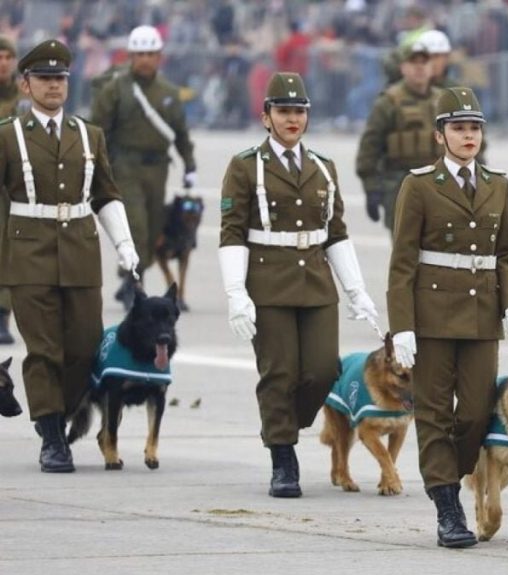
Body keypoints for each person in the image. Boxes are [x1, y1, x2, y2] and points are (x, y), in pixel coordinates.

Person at [218, 72, 378, 498]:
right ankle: (283, 457)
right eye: (284, 111)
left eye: (299, 111)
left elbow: (337, 233)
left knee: (324, 370)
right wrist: (236, 293)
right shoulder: (245, 165)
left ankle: (285, 424)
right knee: (280, 373)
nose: (292, 119)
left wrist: (356, 290)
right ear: (266, 116)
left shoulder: (323, 167)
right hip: (268, 282)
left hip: (316, 282)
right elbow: (232, 232)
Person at [387, 87, 508, 548]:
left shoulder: (497, 184)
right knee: (434, 413)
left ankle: (454, 475)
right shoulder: (420, 185)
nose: (469, 136)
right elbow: (403, 261)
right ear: (439, 135)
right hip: (432, 317)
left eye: (475, 128)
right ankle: (447, 505)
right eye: (459, 128)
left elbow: (504, 253)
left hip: (482, 315)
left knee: (475, 415)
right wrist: (402, 325)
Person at [0, 39, 139, 472]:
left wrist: (125, 244)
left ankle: (63, 416)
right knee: (43, 349)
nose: (54, 85)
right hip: (29, 250)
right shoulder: (7, 136)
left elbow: (106, 195)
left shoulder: (89, 135)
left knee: (83, 346)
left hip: (79, 250)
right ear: (25, 85)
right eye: (44, 79)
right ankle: (52, 434)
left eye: (60, 78)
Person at [91, 25, 197, 310]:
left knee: (152, 230)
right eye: (140, 54)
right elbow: (98, 129)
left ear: (159, 56)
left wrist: (190, 164)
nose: (146, 60)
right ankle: (133, 285)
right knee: (135, 225)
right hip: (124, 166)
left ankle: (130, 276)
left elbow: (180, 133)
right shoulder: (116, 89)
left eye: (151, 54)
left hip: (158, 168)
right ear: (130, 55)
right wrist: (97, 166)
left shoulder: (169, 93)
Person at [356, 41, 442, 233]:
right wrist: (371, 189)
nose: (419, 67)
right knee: (406, 254)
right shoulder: (389, 102)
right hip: (400, 185)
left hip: (440, 185)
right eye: (413, 62)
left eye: (424, 62)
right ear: (403, 67)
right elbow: (369, 148)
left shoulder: (443, 101)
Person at [0, 36, 19, 345]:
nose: (3, 63)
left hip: (12, 186)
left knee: (9, 250)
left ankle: (2, 315)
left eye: (7, 57)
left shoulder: (27, 96)